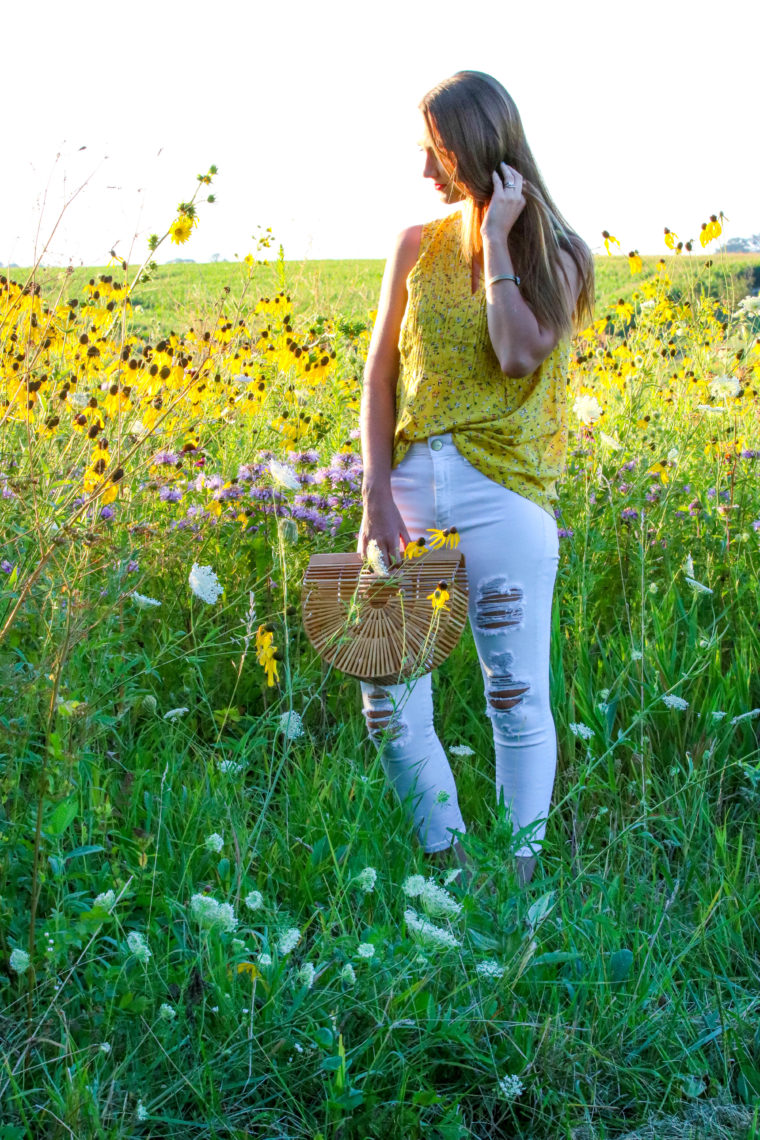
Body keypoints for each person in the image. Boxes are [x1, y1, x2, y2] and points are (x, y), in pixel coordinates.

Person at [356, 71, 595, 888]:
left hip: (507, 498)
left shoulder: (557, 254)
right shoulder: (414, 246)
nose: (426, 168)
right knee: (386, 698)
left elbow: (516, 350)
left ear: (481, 145)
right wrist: (373, 491)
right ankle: (451, 866)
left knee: (516, 693)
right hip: (412, 489)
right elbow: (380, 375)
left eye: (439, 149)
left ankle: (521, 877)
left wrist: (496, 242)